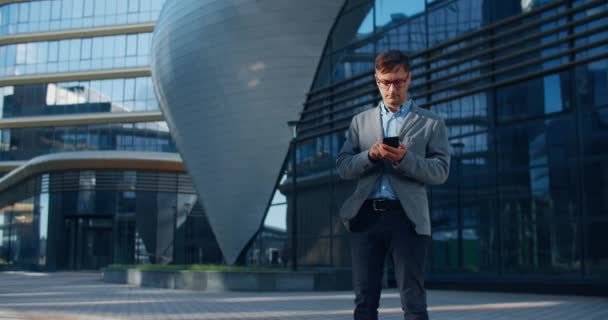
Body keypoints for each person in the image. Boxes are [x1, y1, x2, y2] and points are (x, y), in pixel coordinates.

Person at [336, 50, 450, 320]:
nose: (392, 88)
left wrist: (407, 160)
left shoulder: (432, 123)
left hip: (407, 218)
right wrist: (371, 156)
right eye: (385, 82)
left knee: (413, 302)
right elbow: (343, 166)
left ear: (409, 79)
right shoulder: (359, 122)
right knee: (364, 302)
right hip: (366, 217)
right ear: (377, 81)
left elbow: (441, 171)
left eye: (398, 81)